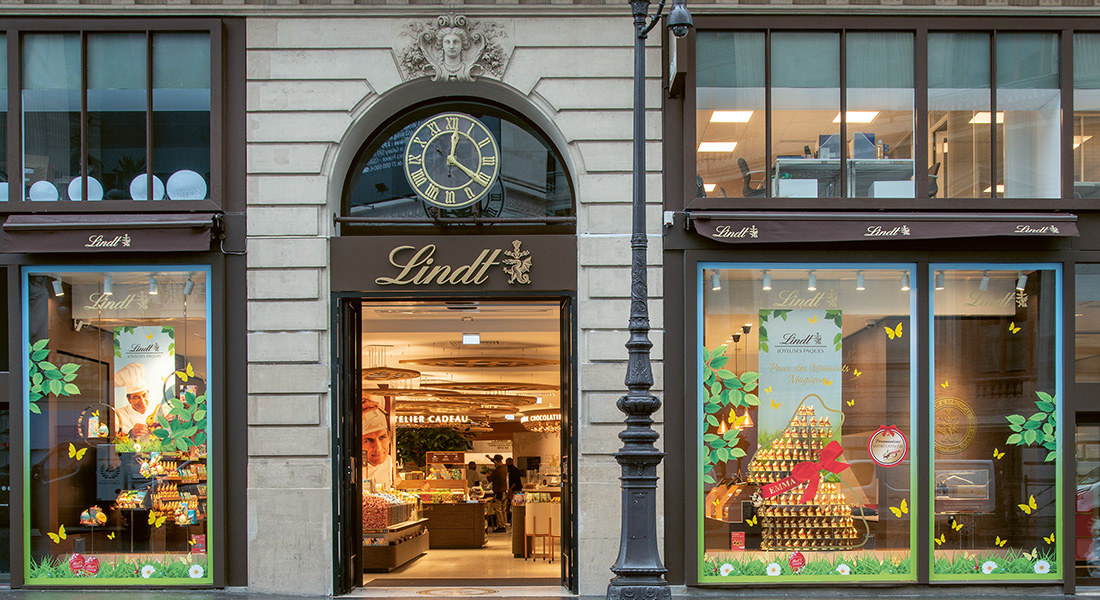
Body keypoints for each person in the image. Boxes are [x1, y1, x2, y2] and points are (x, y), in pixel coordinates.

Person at [113, 362, 165, 438]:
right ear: (129, 399)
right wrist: (131, 433)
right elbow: (115, 438)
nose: (142, 402)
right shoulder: (119, 415)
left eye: (144, 395)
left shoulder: (159, 409)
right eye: (136, 397)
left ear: (148, 393)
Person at [363, 407, 393, 488]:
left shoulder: (389, 461)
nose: (378, 448)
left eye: (382, 437)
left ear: (389, 437)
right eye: (368, 440)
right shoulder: (353, 469)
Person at [486, 454, 508, 532]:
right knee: (503, 509)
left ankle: (501, 526)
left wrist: (487, 475)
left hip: (498, 492)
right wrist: (490, 458)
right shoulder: (504, 467)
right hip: (504, 491)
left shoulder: (497, 470)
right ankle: (504, 523)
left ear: (496, 461)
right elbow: (496, 462)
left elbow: (490, 479)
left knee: (498, 509)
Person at [505, 457, 523, 523]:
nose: (506, 463)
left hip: (515, 489)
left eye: (507, 462)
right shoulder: (512, 469)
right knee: (513, 504)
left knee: (515, 504)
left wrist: (510, 489)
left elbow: (515, 481)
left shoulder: (513, 470)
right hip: (515, 488)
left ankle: (514, 518)